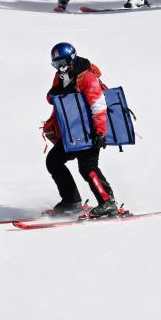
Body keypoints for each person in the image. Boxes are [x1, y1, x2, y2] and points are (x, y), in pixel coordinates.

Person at [42, 42, 119, 218]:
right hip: (73, 132)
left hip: (90, 131)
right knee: (53, 161)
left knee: (87, 167)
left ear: (72, 59)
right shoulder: (61, 77)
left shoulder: (87, 77)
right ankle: (71, 202)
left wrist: (100, 133)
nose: (59, 68)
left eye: (62, 63)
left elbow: (98, 106)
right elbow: (53, 96)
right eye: (55, 64)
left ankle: (108, 202)